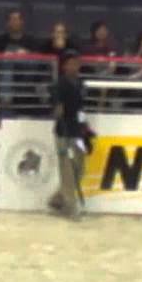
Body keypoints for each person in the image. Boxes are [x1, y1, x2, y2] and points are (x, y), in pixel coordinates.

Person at [49, 51, 91, 220]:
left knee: (79, 168)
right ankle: (70, 206)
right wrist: (58, 110)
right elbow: (55, 107)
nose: (74, 66)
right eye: (71, 63)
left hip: (78, 132)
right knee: (67, 170)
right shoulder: (59, 85)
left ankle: (57, 199)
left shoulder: (81, 84)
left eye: (77, 63)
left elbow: (82, 108)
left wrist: (85, 125)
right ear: (64, 66)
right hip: (63, 132)